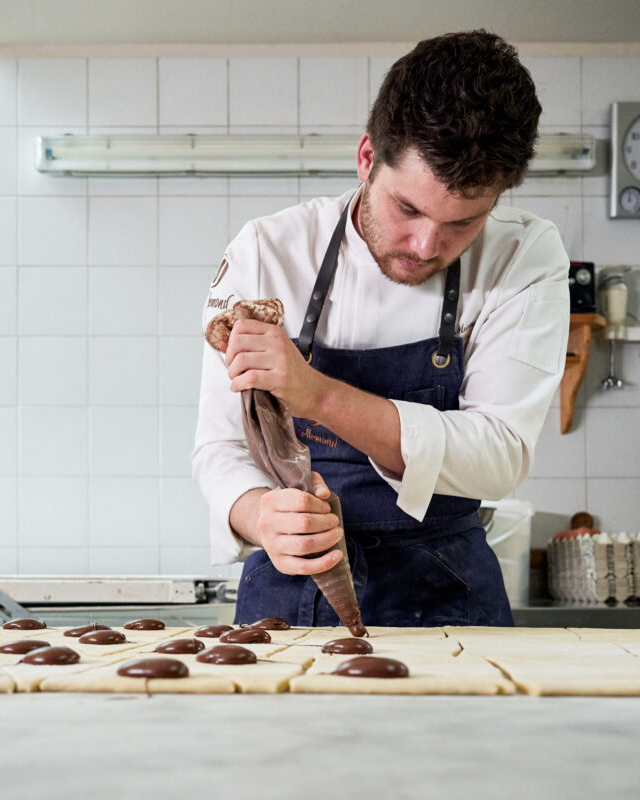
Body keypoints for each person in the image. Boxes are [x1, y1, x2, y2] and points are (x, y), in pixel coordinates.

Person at [193, 30, 570, 628]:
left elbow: (499, 455)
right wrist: (261, 515)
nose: (426, 246)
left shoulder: (523, 255)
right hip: (292, 587)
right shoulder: (268, 252)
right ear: (368, 158)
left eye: (463, 223)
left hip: (449, 590)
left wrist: (315, 393)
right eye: (408, 209)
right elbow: (222, 446)